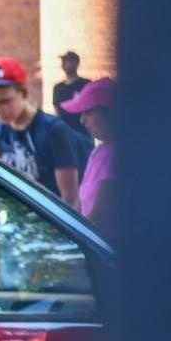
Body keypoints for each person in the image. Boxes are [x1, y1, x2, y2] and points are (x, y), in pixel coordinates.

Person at [0, 56, 85, 208]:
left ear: (23, 93)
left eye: (5, 101)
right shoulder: (0, 130)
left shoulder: (53, 130)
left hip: (53, 220)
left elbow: (70, 198)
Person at [61, 77, 116, 228]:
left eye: (88, 112)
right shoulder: (98, 152)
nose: (82, 120)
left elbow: (99, 215)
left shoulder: (122, 154)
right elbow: (79, 204)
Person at [52, 51, 92, 141]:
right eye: (63, 61)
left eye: (67, 60)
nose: (63, 63)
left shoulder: (86, 84)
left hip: (83, 132)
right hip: (65, 135)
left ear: (76, 63)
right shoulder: (58, 88)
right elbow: (56, 109)